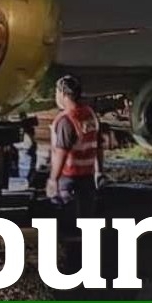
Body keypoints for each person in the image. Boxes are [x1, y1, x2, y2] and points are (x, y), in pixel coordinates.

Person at [46, 74, 104, 219]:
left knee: (66, 217)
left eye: (57, 92)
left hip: (68, 176)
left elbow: (61, 152)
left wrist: (53, 179)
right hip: (87, 175)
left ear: (63, 94)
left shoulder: (66, 120)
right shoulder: (90, 115)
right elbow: (98, 146)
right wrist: (99, 171)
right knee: (86, 217)